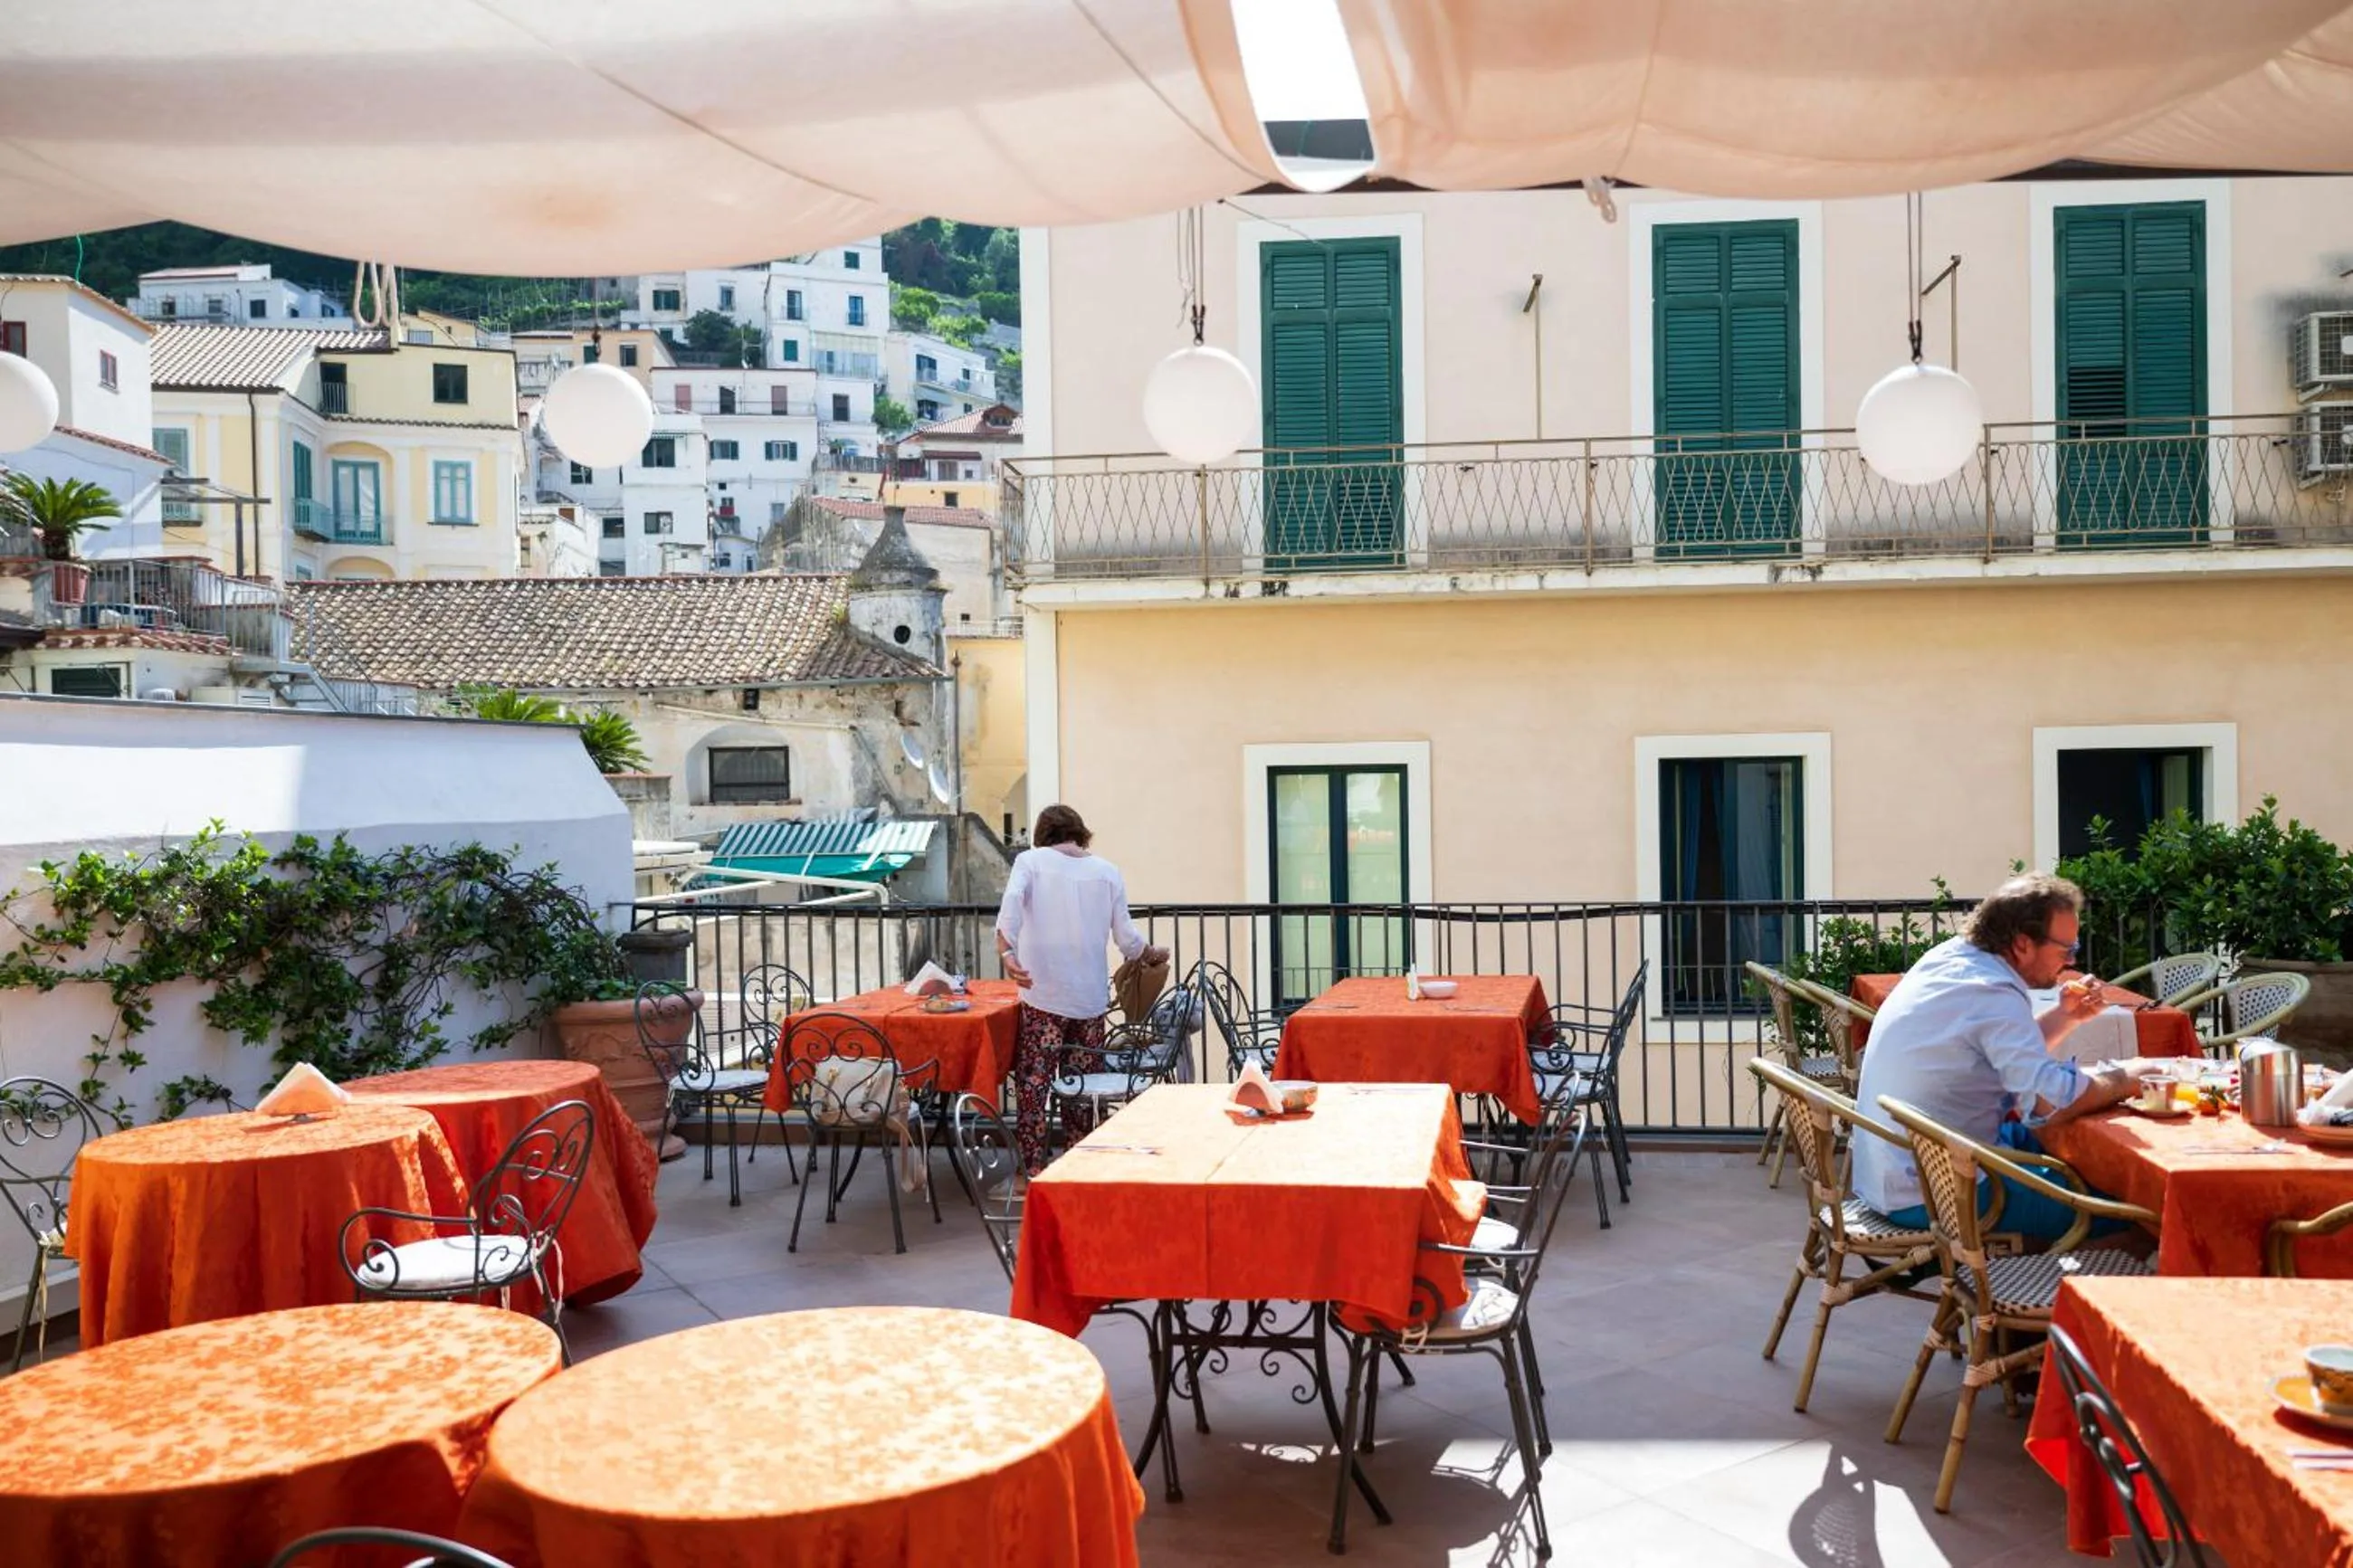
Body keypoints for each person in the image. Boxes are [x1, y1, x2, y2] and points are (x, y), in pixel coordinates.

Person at [1851, 873, 2167, 1243]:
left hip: (1902, 1170)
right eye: (2066, 949)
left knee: (2078, 1153)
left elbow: (2000, 1055)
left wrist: (2067, 1016)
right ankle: (2087, 1294)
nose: (2070, 961)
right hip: (1938, 1192)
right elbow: (2049, 1100)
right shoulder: (1992, 991)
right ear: (2022, 943)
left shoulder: (1954, 959)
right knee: (2142, 1207)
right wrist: (2131, 1075)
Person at [994, 804, 1168, 1173]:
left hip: (1042, 995)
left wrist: (1007, 952)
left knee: (1034, 1086)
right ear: (1080, 833)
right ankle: (1080, 1168)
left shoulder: (1030, 862)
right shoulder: (1107, 872)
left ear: (1044, 835)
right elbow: (1128, 941)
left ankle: (1033, 1171)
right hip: (1088, 1001)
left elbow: (1010, 907)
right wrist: (1153, 952)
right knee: (1084, 1088)